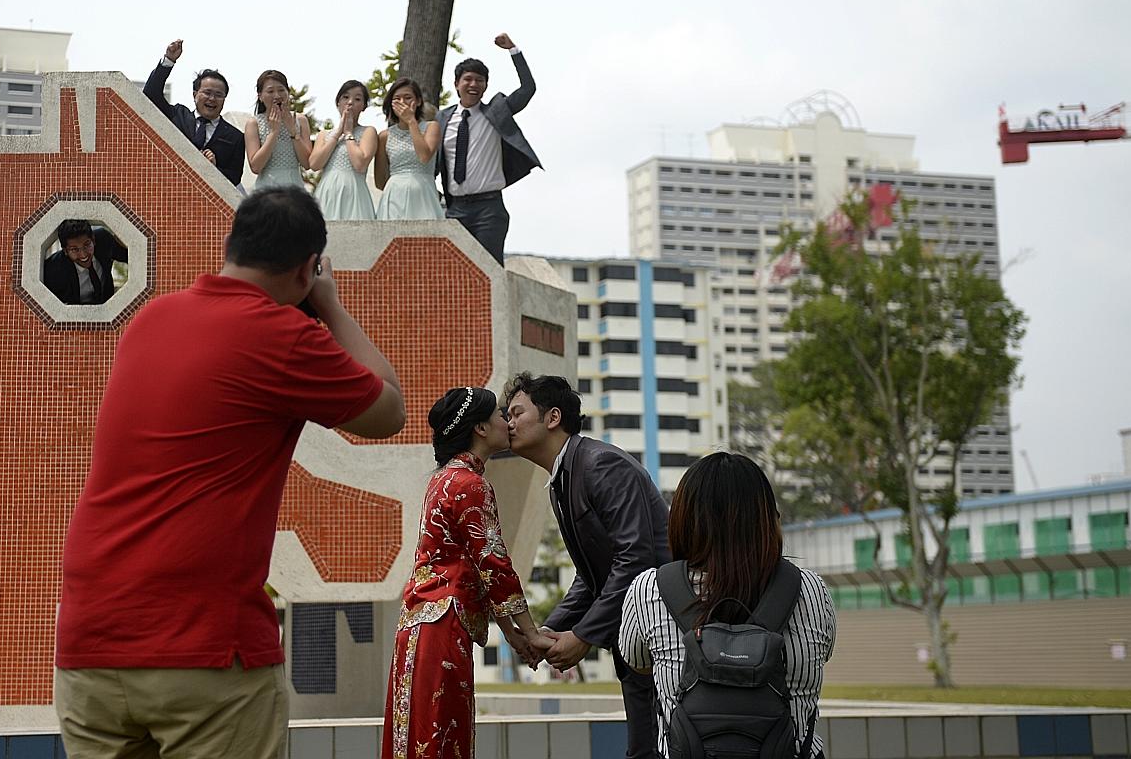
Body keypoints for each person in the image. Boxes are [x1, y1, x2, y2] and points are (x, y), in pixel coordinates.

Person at [55, 186, 406, 759]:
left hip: (89, 645)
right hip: (203, 649)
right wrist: (331, 305)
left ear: (230, 246)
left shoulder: (150, 319)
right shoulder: (282, 337)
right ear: (306, 269)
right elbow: (388, 410)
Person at [618, 453, 837, 759]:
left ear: (682, 520)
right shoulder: (811, 590)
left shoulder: (648, 590)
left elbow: (638, 663)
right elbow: (822, 655)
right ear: (767, 520)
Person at [503, 372, 670, 759]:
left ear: (552, 417)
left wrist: (583, 637)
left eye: (516, 413)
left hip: (669, 632)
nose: (508, 424)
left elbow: (635, 559)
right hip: (638, 634)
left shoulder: (600, 465)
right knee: (645, 750)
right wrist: (552, 628)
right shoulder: (564, 476)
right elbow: (592, 575)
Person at [382, 387, 553, 759]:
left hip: (422, 626)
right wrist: (531, 632)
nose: (506, 421)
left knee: (418, 739)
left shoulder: (442, 480)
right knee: (443, 740)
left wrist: (513, 634)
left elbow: (477, 569)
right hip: (443, 627)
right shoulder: (471, 485)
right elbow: (494, 565)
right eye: (499, 415)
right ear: (479, 427)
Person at [435, 34, 542, 264]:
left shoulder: (496, 111)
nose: (474, 84)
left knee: (489, 273)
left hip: (489, 209)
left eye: (480, 80)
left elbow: (527, 89)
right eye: (468, 79)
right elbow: (429, 161)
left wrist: (513, 50)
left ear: (485, 86)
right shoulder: (441, 119)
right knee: (455, 274)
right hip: (454, 211)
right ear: (456, 84)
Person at [142, 39, 245, 187]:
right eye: (207, 92)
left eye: (218, 94)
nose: (212, 99)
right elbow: (151, 94)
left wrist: (214, 168)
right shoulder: (177, 115)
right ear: (195, 94)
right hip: (168, 191)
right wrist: (169, 60)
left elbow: (235, 178)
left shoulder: (235, 137)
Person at [373, 77, 444, 219]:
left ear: (418, 101)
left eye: (407, 98)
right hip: (394, 197)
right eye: (397, 99)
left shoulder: (431, 127)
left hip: (424, 194)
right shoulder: (384, 136)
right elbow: (380, 181)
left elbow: (424, 157)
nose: (403, 103)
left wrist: (411, 121)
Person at [310, 80, 377, 221]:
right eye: (345, 97)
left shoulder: (368, 132)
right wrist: (337, 133)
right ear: (338, 102)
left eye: (357, 99)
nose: (350, 102)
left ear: (364, 106)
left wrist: (348, 133)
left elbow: (360, 164)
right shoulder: (324, 134)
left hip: (354, 192)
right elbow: (315, 164)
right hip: (327, 191)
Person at [245, 69, 313, 189]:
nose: (277, 95)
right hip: (267, 189)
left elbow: (307, 163)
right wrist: (273, 133)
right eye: (270, 91)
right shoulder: (253, 123)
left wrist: (293, 131)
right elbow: (255, 167)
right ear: (260, 96)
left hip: (295, 188)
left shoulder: (300, 120)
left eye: (281, 90)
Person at [42, 219, 130, 306]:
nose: (83, 255)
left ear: (93, 240)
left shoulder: (104, 241)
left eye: (87, 245)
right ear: (65, 251)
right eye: (74, 249)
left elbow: (131, 256)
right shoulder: (53, 270)